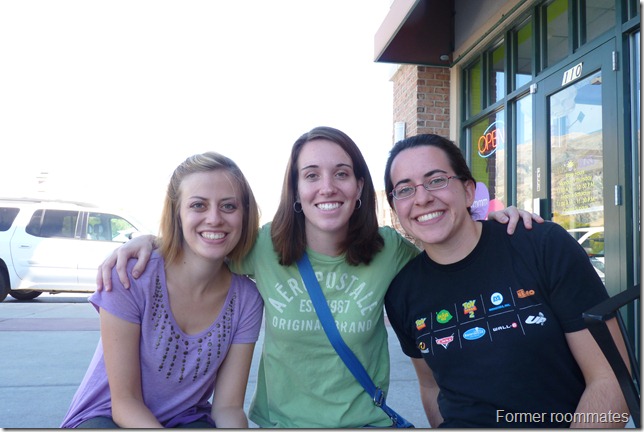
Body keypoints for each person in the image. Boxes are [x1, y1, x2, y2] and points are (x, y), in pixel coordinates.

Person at [96, 126, 541, 427]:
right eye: (311, 175)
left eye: (341, 174)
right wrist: (151, 242)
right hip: (281, 425)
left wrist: (490, 221)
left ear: (360, 187)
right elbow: (207, 236)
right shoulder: (263, 245)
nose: (327, 187)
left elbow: (450, 247)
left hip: (366, 423)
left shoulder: (389, 249)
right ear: (296, 188)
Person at [383, 133, 630, 428]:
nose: (422, 198)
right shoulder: (402, 292)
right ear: (395, 207)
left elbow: (612, 379)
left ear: (468, 191)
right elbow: (431, 386)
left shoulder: (541, 246)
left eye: (436, 180)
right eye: (405, 189)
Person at [61, 152, 264, 428]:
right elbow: (125, 402)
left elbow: (228, 407)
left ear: (245, 215)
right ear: (177, 214)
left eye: (228, 206)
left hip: (186, 418)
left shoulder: (246, 299)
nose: (214, 218)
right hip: (108, 417)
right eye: (198, 205)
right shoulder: (131, 276)